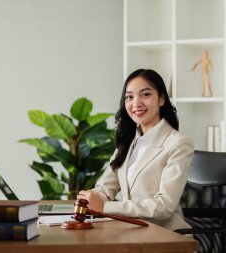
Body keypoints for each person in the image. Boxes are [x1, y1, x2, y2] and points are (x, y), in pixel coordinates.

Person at [77, 69, 194, 231]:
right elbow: (105, 188)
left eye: (145, 95)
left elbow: (164, 207)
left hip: (165, 235)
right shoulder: (128, 141)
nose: (136, 103)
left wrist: (105, 207)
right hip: (130, 230)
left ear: (161, 99)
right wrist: (92, 199)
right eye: (129, 97)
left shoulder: (178, 144)